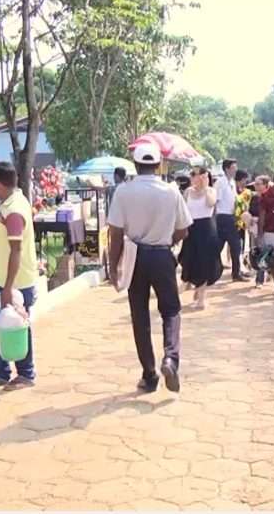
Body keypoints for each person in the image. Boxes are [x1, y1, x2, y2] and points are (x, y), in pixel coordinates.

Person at [107, 143, 192, 393]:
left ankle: (149, 374)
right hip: (162, 255)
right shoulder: (171, 191)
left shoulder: (124, 192)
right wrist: (168, 240)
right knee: (171, 310)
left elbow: (115, 231)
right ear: (158, 165)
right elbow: (184, 229)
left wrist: (113, 266)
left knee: (140, 316)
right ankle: (171, 359)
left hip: (135, 256)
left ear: (135, 165)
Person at [0, 162, 40, 390]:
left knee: (17, 326)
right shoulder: (14, 201)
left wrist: (8, 289)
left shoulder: (14, 211)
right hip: (11, 280)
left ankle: (26, 374)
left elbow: (16, 250)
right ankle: (1, 372)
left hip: (17, 283)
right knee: (6, 324)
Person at [179, 167, 222, 310]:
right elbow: (183, 211)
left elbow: (211, 203)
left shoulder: (211, 191)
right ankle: (192, 285)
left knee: (205, 261)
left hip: (206, 229)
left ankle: (202, 297)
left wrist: (204, 187)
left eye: (199, 175)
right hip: (191, 228)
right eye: (193, 175)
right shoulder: (187, 192)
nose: (194, 177)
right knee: (189, 259)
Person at [214, 159, 248, 282]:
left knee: (232, 246)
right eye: (233, 167)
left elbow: (234, 200)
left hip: (231, 216)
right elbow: (215, 201)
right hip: (223, 217)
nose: (235, 170)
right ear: (227, 169)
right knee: (230, 245)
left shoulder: (232, 182)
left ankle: (235, 272)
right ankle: (214, 271)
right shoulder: (220, 183)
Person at [248, 176, 269, 288]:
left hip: (265, 229)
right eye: (255, 184)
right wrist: (250, 218)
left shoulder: (270, 198)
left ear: (265, 185)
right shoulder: (254, 198)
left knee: (262, 253)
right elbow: (250, 211)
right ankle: (266, 271)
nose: (256, 186)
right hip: (254, 229)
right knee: (254, 252)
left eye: (258, 184)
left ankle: (259, 279)